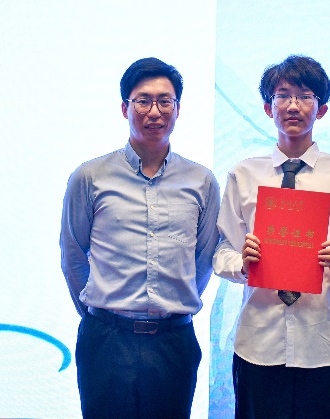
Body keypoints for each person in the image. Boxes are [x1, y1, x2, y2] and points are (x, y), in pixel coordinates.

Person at [212, 55, 330, 418]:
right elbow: (222, 250)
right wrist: (242, 264)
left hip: (324, 343)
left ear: (321, 109)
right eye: (283, 95)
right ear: (268, 107)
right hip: (259, 341)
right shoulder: (243, 174)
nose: (293, 105)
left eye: (305, 96)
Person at [60, 57, 220, 418]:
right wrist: (100, 315)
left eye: (165, 101)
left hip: (173, 341)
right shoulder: (90, 176)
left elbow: (204, 259)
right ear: (124, 108)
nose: (154, 112)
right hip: (106, 340)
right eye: (143, 101)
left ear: (178, 109)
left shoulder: (201, 181)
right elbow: (73, 256)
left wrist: (171, 303)